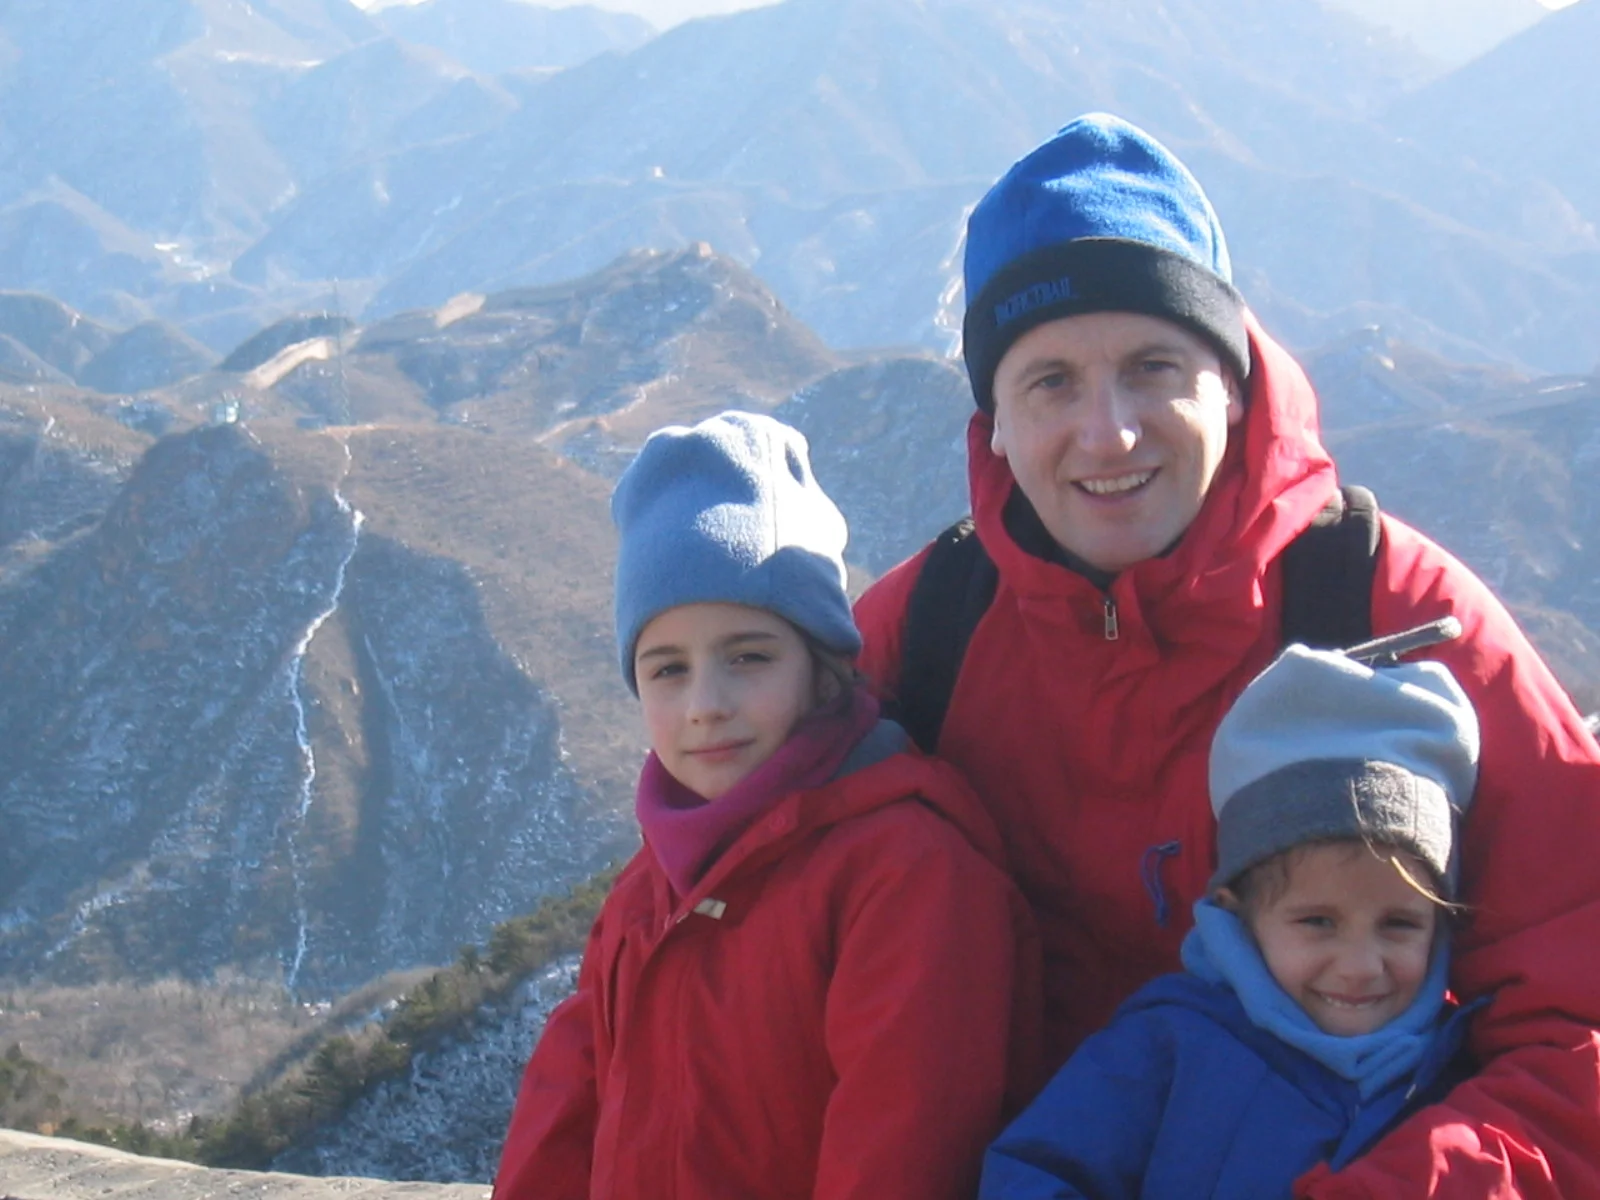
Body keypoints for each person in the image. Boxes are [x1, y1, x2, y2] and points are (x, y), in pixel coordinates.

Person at [854, 112, 1600, 1194]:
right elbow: (722, 923)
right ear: (995, 426)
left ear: (1235, 381)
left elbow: (1578, 1033)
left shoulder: (1396, 617)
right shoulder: (926, 636)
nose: (1108, 433)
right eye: (1051, 381)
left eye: (1154, 365)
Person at [493, 411, 1039, 1200]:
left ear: (822, 667)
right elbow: (565, 1119)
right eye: (667, 669)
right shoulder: (650, 889)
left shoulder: (907, 876)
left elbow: (902, 1154)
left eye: (747, 656)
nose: (705, 704)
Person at [981, 640, 1483, 1198]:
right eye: (1318, 922)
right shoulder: (1168, 1047)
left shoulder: (1458, 1079)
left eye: (1399, 924)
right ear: (1237, 916)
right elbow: (1038, 1171)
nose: (1361, 966)